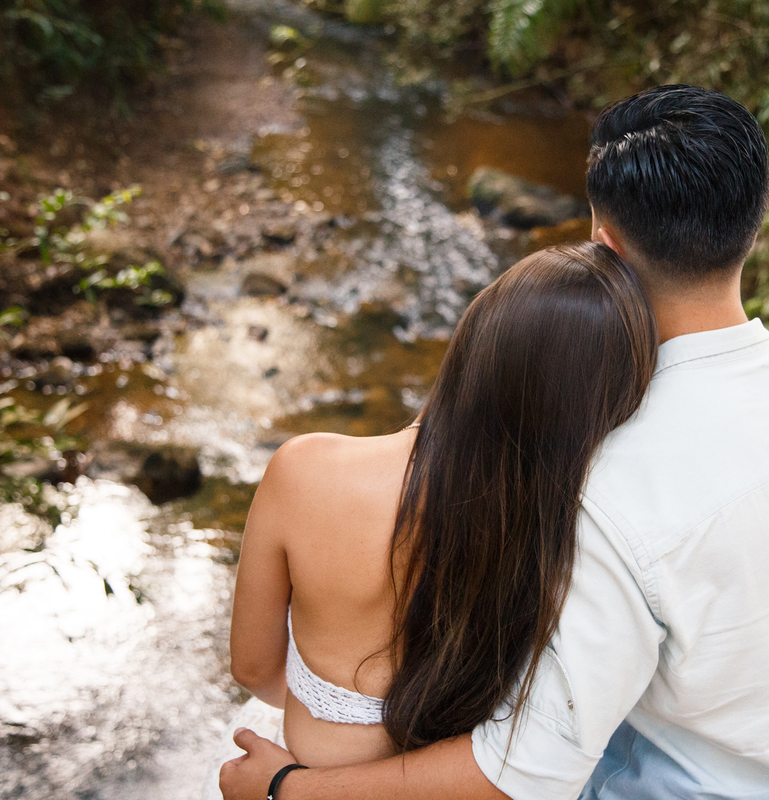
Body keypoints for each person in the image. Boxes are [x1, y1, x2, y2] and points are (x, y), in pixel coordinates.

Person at [221, 84, 769, 800]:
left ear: (604, 242)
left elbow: (525, 771)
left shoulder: (603, 478)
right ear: (754, 226)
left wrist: (286, 790)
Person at [226, 242, 657, 769]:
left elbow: (253, 668)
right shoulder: (568, 532)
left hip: (308, 774)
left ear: (473, 338)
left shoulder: (302, 471)